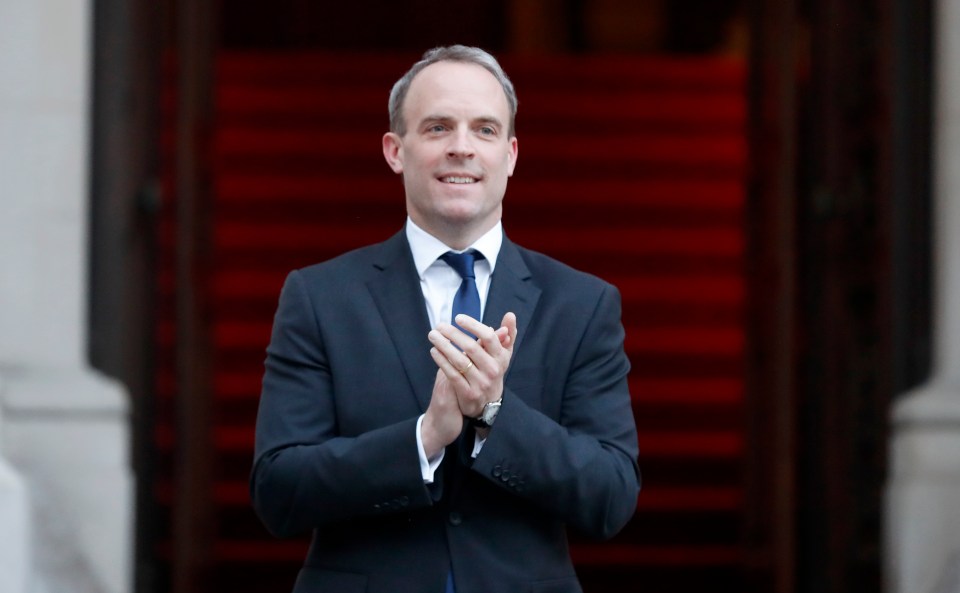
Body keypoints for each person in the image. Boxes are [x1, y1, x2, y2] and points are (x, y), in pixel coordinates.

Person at [250, 45, 640, 593]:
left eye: (484, 130)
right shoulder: (319, 297)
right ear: (395, 150)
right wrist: (423, 438)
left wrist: (495, 416)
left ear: (510, 154)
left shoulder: (581, 304)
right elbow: (278, 491)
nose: (462, 148)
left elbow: (611, 496)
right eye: (437, 127)